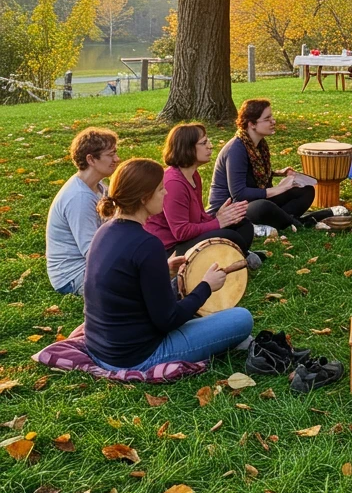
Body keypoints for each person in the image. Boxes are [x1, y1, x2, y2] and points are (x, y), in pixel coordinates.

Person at [83, 158, 253, 371]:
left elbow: (125, 282)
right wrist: (206, 287)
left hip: (100, 347)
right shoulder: (147, 244)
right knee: (241, 318)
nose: (165, 193)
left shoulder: (104, 232)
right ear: (145, 198)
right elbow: (169, 320)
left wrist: (162, 269)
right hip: (137, 357)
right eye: (161, 189)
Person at [144, 123, 264, 269]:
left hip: (186, 240)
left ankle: (235, 256)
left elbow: (197, 218)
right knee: (229, 236)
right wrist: (218, 222)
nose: (210, 146)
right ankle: (235, 258)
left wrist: (216, 217)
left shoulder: (193, 175)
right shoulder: (173, 183)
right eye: (203, 143)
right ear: (187, 148)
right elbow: (181, 232)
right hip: (171, 250)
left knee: (243, 225)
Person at [208, 99, 341, 232]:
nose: (273, 121)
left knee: (306, 190)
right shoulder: (236, 149)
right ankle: (302, 223)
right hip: (231, 211)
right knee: (263, 206)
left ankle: (285, 222)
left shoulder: (259, 144)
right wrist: (279, 189)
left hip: (251, 203)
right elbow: (239, 194)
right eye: (267, 119)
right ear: (252, 124)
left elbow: (253, 173)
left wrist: (278, 173)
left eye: (271, 117)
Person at [46, 127, 120, 295]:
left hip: (91, 267)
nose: (117, 158)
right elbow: (91, 251)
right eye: (111, 154)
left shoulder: (100, 187)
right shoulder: (79, 197)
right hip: (72, 277)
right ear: (91, 159)